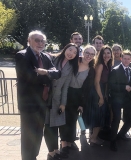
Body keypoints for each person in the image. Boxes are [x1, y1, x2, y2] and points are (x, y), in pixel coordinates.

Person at [15, 30, 61, 160]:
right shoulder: (22, 55)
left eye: (42, 41)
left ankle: (33, 156)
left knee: (38, 134)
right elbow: (30, 77)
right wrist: (48, 75)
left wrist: (44, 72)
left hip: (43, 102)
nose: (40, 43)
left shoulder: (46, 57)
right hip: (28, 104)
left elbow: (57, 73)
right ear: (29, 41)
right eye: (37, 40)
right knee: (28, 135)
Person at [43, 43, 79, 160]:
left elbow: (66, 87)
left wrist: (63, 103)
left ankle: (56, 150)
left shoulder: (71, 67)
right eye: (70, 50)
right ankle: (51, 153)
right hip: (45, 97)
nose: (71, 54)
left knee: (56, 127)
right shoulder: (52, 58)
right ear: (65, 49)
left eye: (74, 53)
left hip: (57, 100)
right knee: (48, 127)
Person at [60, 45, 96, 154]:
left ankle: (70, 141)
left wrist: (82, 104)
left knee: (72, 120)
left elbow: (86, 89)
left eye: (92, 54)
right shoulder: (74, 62)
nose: (89, 56)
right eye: (87, 53)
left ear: (94, 56)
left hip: (77, 96)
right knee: (63, 119)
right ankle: (63, 143)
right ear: (83, 52)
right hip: (65, 92)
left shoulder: (91, 70)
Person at [108, 51, 131, 151]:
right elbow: (111, 86)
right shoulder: (115, 70)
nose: (127, 60)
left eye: (129, 59)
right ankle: (112, 142)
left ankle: (120, 135)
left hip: (127, 98)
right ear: (121, 58)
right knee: (116, 119)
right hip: (116, 98)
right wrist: (124, 87)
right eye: (125, 58)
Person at [87, 45, 112, 145]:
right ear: (101, 54)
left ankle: (94, 137)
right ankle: (93, 139)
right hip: (97, 92)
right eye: (104, 53)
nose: (106, 55)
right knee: (98, 117)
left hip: (102, 91)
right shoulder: (101, 65)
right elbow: (96, 82)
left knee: (100, 116)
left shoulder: (107, 64)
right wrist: (101, 97)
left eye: (108, 53)